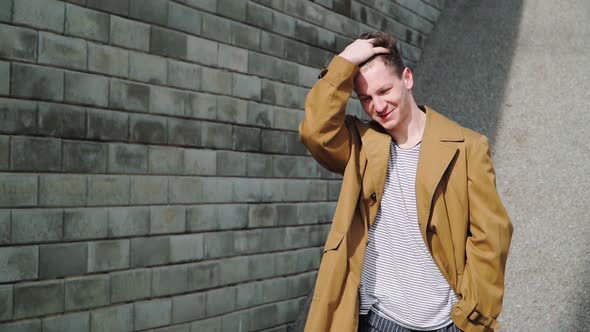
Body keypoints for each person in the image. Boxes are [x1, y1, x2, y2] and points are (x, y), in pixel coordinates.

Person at [298, 31, 513, 332]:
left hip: (446, 323)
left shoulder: (467, 147)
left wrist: (473, 316)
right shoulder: (361, 144)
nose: (378, 105)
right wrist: (345, 61)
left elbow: (492, 237)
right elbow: (315, 131)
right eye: (366, 98)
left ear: (407, 78)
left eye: (385, 90)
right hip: (379, 319)